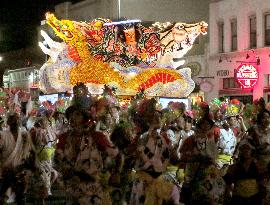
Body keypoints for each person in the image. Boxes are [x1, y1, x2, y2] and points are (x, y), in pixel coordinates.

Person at [130, 98, 179, 205]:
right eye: (154, 117)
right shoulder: (141, 137)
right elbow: (135, 156)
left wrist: (172, 150)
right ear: (147, 120)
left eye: (159, 117)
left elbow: (174, 159)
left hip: (158, 181)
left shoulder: (164, 137)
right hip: (144, 181)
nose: (158, 119)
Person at [180, 114, 225, 205]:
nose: (205, 127)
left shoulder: (210, 141)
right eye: (203, 124)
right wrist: (196, 158)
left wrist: (212, 160)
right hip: (194, 174)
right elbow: (183, 156)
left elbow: (215, 157)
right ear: (199, 126)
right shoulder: (190, 140)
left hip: (209, 175)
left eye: (208, 125)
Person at [0, 113, 35, 205]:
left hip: (20, 170)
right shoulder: (3, 135)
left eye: (17, 119)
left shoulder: (24, 135)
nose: (15, 121)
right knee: (2, 193)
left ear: (20, 121)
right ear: (8, 122)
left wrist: (28, 166)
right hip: (6, 171)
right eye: (12, 119)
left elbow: (31, 152)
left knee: (20, 197)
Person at [224, 140, 265, 205]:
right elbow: (228, 181)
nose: (245, 151)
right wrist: (228, 192)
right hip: (238, 197)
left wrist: (262, 195)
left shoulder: (257, 164)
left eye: (248, 148)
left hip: (254, 197)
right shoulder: (235, 166)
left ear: (251, 150)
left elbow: (261, 180)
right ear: (240, 151)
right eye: (243, 148)